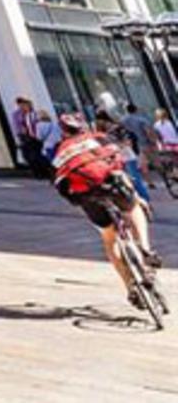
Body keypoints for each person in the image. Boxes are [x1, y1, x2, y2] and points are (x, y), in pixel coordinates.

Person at [52, 113, 162, 307]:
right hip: (112, 183)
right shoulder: (97, 138)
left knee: (109, 239)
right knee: (135, 208)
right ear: (83, 126)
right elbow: (117, 166)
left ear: (64, 132)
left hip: (87, 195)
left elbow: (61, 184)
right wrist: (136, 196)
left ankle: (130, 287)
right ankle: (145, 249)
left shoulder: (61, 151)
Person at [97, 115, 156, 207]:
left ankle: (145, 200)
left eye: (106, 122)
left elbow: (128, 142)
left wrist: (117, 146)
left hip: (126, 157)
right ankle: (140, 200)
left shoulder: (116, 131)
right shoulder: (105, 135)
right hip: (121, 159)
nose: (107, 125)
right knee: (131, 180)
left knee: (135, 179)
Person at [12, 98, 47, 176]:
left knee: (36, 154)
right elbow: (17, 125)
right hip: (25, 136)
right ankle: (36, 171)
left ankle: (41, 171)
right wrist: (21, 133)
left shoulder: (34, 113)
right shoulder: (17, 114)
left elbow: (38, 123)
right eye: (20, 104)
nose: (22, 106)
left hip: (35, 136)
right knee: (28, 154)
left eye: (24, 104)